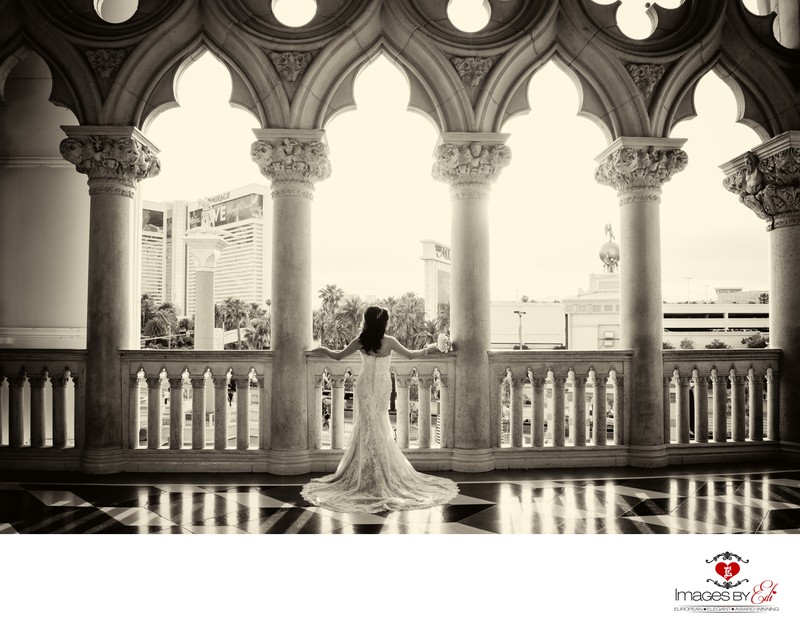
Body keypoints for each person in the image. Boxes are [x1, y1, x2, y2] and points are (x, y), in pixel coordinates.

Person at [301, 305, 459, 513]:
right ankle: (377, 472)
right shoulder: (390, 342)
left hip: (365, 385)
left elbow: (338, 356)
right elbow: (412, 355)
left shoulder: (360, 342)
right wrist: (434, 347)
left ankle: (365, 471)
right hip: (383, 385)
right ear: (384, 323)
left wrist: (322, 350)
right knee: (378, 424)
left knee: (367, 425)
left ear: (367, 322)